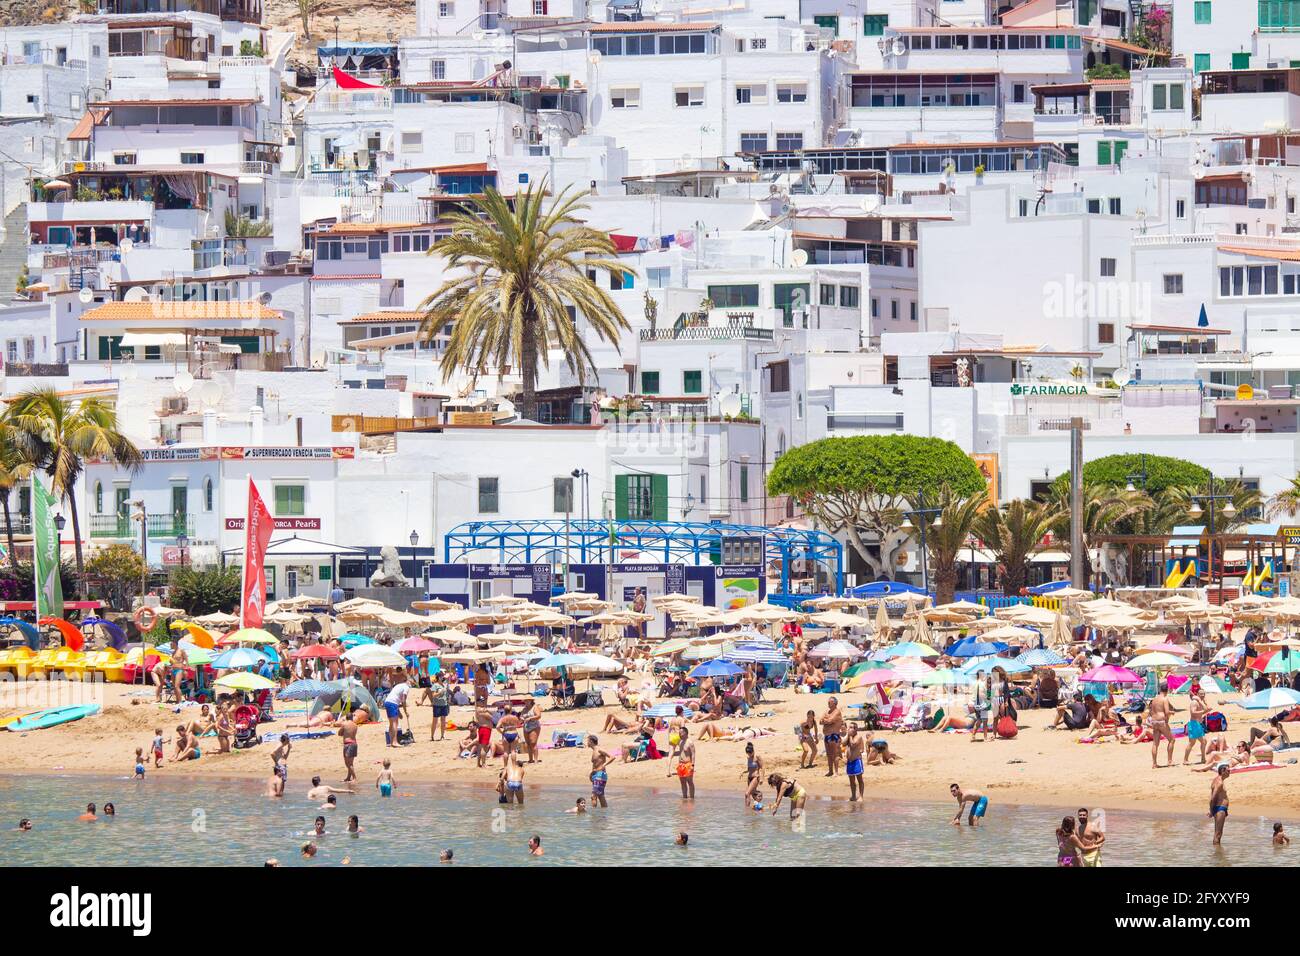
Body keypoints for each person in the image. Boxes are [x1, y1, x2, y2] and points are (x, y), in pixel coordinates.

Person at [1149, 681, 1177, 770]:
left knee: (1155, 743)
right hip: (1161, 721)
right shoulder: (1165, 699)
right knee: (1172, 740)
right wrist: (1172, 712)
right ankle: (1169, 761)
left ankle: (1154, 763)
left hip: (1154, 721)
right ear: (1167, 690)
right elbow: (1167, 712)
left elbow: (1151, 711)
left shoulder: (1154, 699)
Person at [421, 671, 450, 741]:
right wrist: (440, 692)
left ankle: (442, 736)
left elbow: (446, 695)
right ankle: (432, 736)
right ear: (439, 677)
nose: (443, 678)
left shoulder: (444, 685)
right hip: (437, 705)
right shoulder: (435, 685)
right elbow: (433, 695)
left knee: (443, 721)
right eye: (441, 676)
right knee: (435, 721)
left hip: (444, 704)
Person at [1183, 686, 1209, 765]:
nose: (1202, 695)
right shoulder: (1194, 702)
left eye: (1203, 694)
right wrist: (1204, 710)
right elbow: (1193, 712)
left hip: (1198, 724)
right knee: (1192, 743)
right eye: (1200, 694)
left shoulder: (1200, 701)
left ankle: (1203, 758)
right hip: (1194, 724)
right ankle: (1185, 760)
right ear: (1197, 694)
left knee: (1203, 741)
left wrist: (1206, 711)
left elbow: (1200, 713)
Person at [820, 697, 846, 777]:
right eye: (828, 702)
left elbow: (830, 720)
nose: (828, 703)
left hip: (834, 735)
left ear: (835, 703)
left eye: (830, 702)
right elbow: (820, 721)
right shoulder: (827, 711)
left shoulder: (837, 712)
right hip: (827, 735)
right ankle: (830, 771)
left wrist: (826, 720)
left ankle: (836, 772)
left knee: (835, 754)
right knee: (829, 754)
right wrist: (826, 720)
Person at [587, 735, 613, 808]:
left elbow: (612, 757)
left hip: (600, 774)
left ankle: (597, 815)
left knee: (596, 796)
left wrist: (603, 765)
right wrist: (591, 774)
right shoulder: (594, 751)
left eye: (587, 741)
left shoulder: (599, 750)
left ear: (591, 741)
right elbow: (595, 764)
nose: (587, 743)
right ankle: (600, 815)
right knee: (598, 796)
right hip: (596, 775)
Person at [383, 678, 409, 748]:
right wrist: (406, 711)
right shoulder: (406, 687)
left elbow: (395, 698)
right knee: (395, 723)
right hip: (392, 704)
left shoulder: (398, 686)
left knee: (392, 723)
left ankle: (392, 741)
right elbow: (403, 700)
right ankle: (394, 742)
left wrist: (399, 712)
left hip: (387, 702)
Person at [1209, 763, 1230, 846]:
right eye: (1228, 770)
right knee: (1218, 834)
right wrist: (1211, 811)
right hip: (1220, 809)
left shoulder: (1216, 780)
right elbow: (1212, 798)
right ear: (1222, 770)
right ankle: (1218, 855)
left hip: (1220, 809)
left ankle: (1217, 853)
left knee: (1217, 833)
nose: (1229, 772)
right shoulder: (1219, 782)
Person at [844, 723, 865, 802]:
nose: (850, 729)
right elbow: (843, 743)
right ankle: (853, 796)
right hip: (849, 761)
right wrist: (847, 735)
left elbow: (853, 745)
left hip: (856, 760)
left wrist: (849, 736)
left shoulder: (858, 737)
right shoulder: (849, 737)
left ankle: (861, 796)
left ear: (856, 729)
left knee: (859, 779)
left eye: (852, 728)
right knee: (851, 780)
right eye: (850, 727)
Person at [743, 741, 764, 808]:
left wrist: (761, 778)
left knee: (747, 793)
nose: (749, 755)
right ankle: (759, 807)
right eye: (748, 754)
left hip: (755, 777)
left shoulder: (757, 757)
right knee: (752, 794)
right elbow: (749, 768)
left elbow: (762, 767)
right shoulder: (748, 758)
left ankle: (747, 810)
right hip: (749, 777)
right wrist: (744, 772)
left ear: (753, 751)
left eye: (750, 753)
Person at [338, 714, 359, 783]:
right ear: (352, 718)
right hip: (354, 744)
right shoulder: (355, 725)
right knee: (351, 763)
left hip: (348, 744)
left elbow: (339, 733)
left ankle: (355, 778)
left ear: (346, 717)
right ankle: (348, 778)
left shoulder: (344, 724)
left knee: (348, 763)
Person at [677, 732, 696, 800]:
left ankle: (691, 798)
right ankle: (684, 797)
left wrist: (692, 765)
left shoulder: (690, 742)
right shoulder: (680, 742)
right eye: (679, 733)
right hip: (681, 764)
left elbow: (693, 754)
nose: (679, 734)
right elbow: (681, 753)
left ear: (685, 733)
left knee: (689, 781)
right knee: (682, 782)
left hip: (688, 764)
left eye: (681, 733)